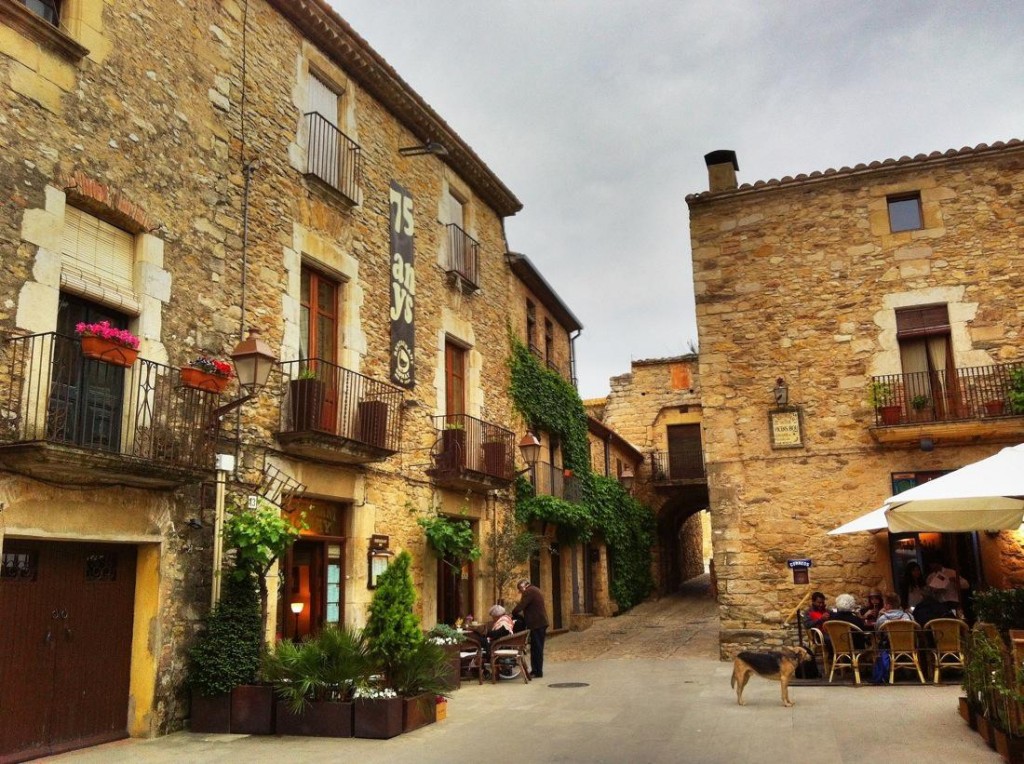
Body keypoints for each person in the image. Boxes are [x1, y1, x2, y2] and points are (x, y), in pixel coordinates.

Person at [512, 577, 549, 678]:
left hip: (537, 623)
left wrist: (513, 613)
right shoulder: (534, 589)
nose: (520, 592)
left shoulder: (529, 591)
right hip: (539, 623)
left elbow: (521, 606)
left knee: (536, 648)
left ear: (523, 586)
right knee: (537, 648)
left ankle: (537, 671)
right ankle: (537, 670)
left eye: (520, 590)